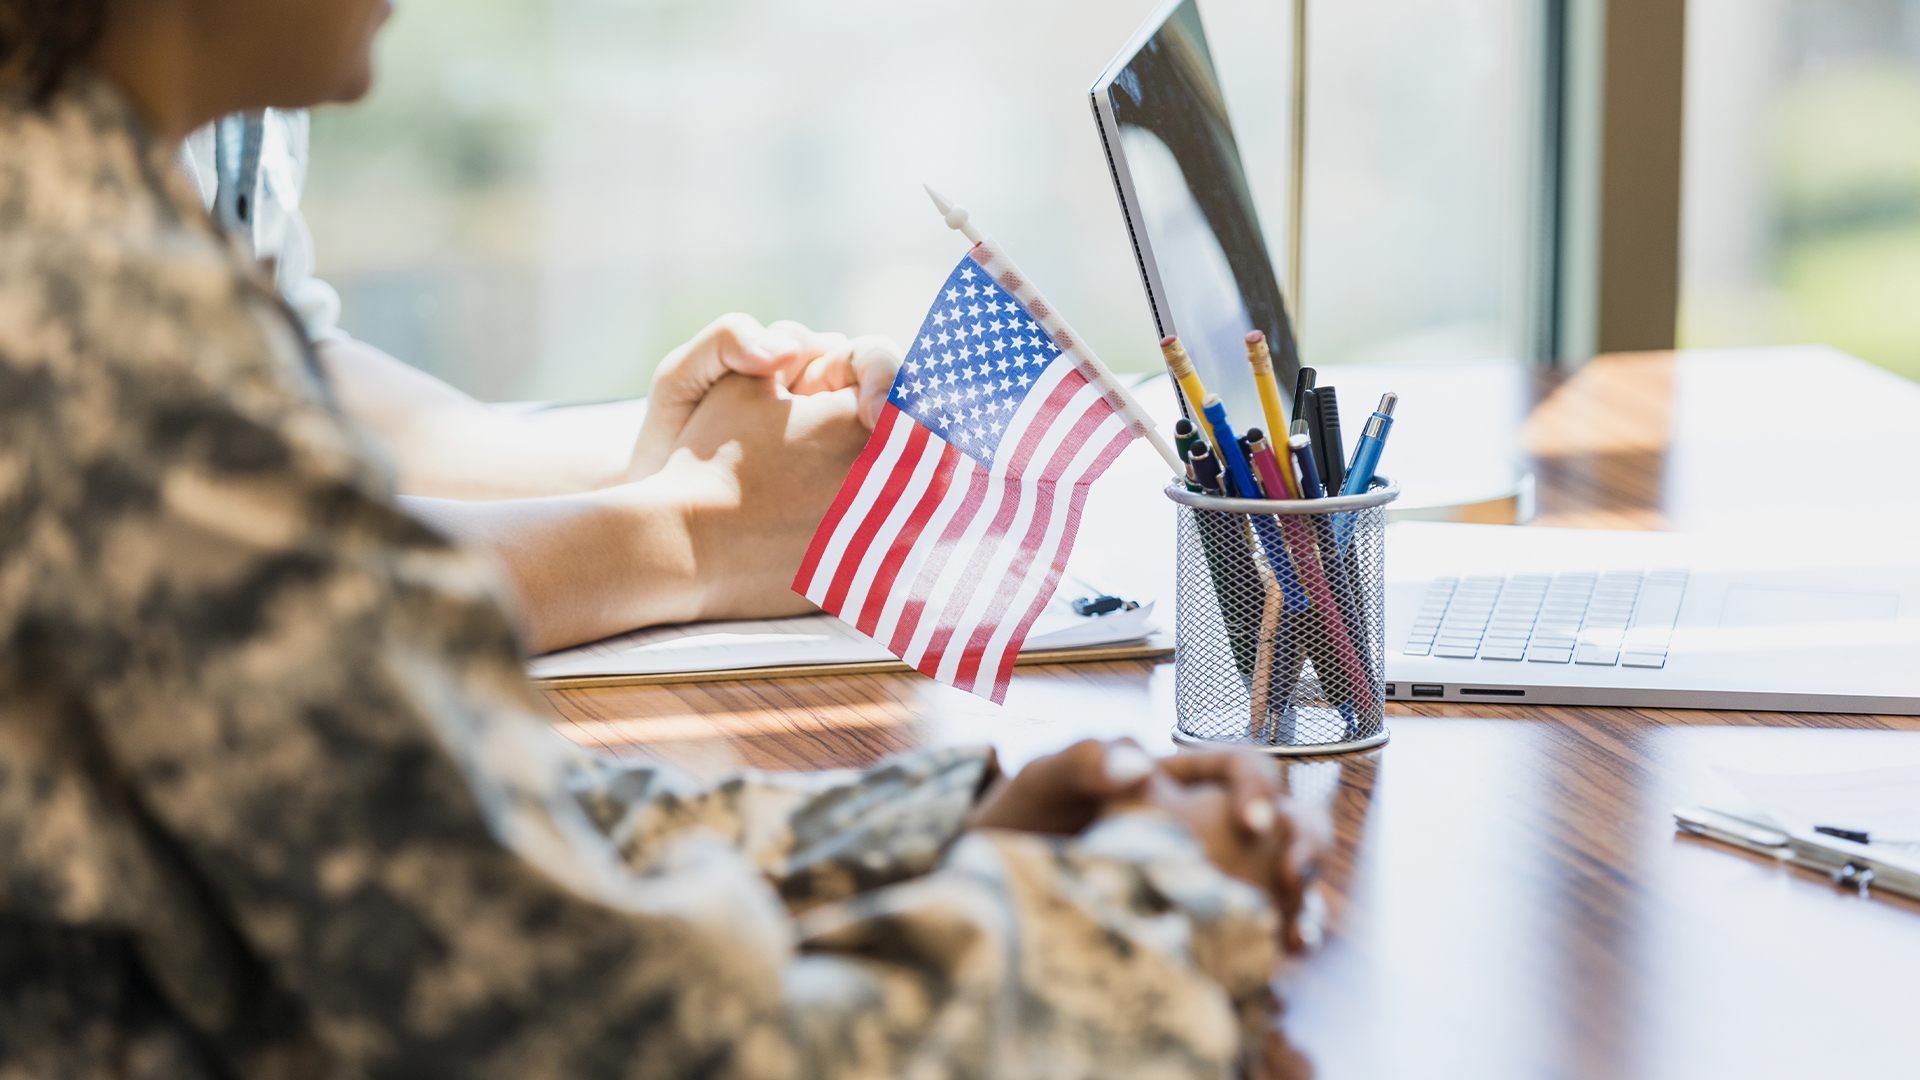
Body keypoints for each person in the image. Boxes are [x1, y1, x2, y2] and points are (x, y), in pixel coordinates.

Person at [0, 1, 1323, 1077]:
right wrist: (1155, 907)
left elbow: (396, 769)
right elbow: (644, 1041)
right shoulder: (100, 334)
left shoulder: (98, 221)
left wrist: (921, 833)